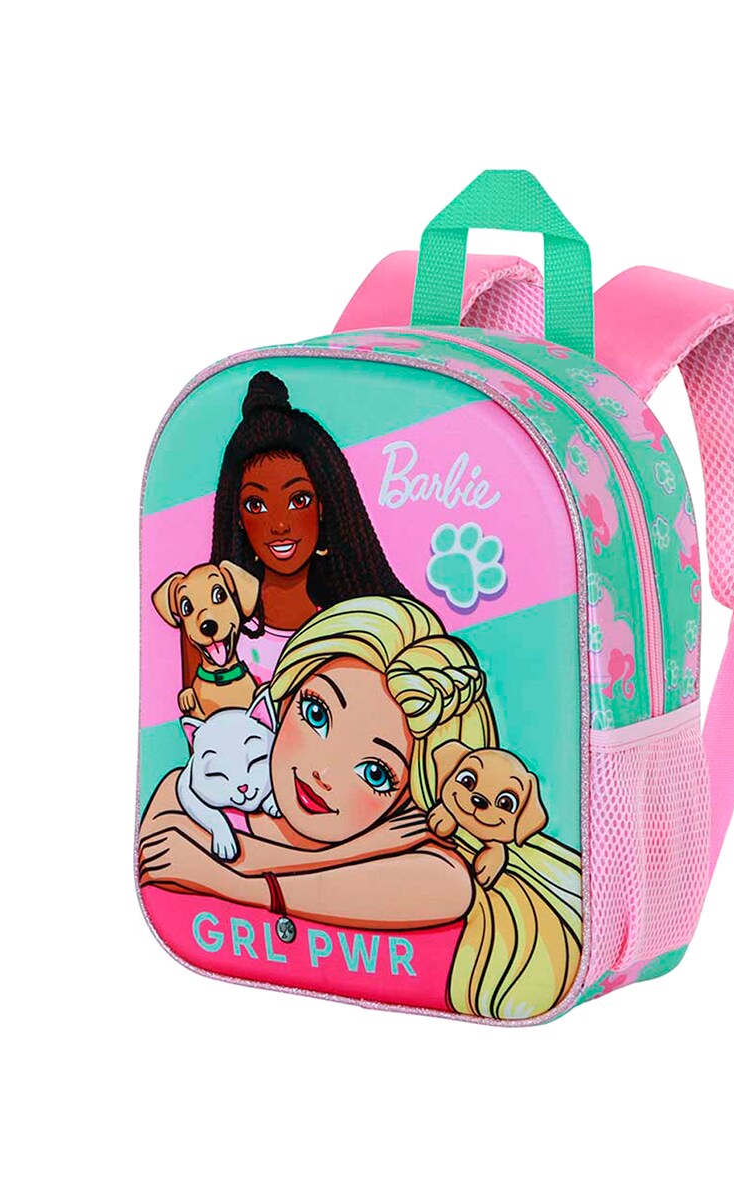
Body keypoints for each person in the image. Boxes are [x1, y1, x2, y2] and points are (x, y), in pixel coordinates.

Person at [140, 596, 582, 1019]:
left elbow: (450, 886)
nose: (323, 774)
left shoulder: (434, 864)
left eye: (375, 772)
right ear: (283, 701)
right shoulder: (195, 789)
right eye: (316, 714)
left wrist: (228, 882)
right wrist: (363, 848)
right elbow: (167, 846)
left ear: (412, 790)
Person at [199, 369, 410, 685]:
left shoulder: (365, 625)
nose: (280, 525)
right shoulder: (215, 627)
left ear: (324, 504)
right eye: (256, 505)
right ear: (237, 518)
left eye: (299, 500)